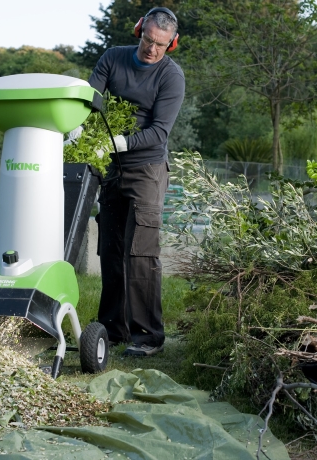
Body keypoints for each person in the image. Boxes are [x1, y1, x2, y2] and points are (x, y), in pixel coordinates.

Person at [87, 7, 185, 357]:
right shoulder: (112, 58)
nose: (152, 50)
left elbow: (159, 132)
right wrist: (77, 128)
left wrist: (122, 143)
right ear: (139, 31)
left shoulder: (171, 77)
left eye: (160, 45)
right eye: (148, 40)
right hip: (111, 168)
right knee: (111, 249)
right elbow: (89, 101)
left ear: (171, 44)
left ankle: (148, 337)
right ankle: (114, 330)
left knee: (141, 253)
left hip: (147, 169)